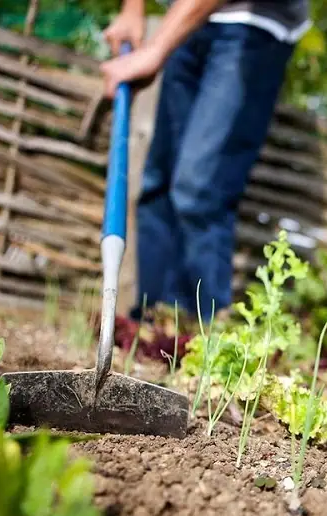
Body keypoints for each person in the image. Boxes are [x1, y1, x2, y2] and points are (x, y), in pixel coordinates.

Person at [100, 0, 309, 321]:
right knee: (158, 183)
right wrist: (132, 10)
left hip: (254, 26)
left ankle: (197, 334)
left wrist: (155, 49)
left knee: (198, 187)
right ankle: (151, 328)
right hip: (186, 19)